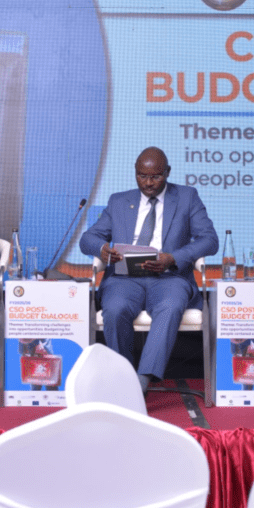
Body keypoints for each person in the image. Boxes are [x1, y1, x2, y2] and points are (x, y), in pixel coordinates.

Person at [79, 147, 219, 395]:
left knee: (170, 306)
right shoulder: (118, 201)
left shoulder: (187, 197)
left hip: (169, 277)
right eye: (142, 176)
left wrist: (173, 258)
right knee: (115, 308)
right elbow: (88, 238)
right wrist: (102, 249)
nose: (149, 183)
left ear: (168, 172)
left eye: (155, 176)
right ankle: (122, 376)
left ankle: (142, 380)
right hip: (125, 278)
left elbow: (209, 240)